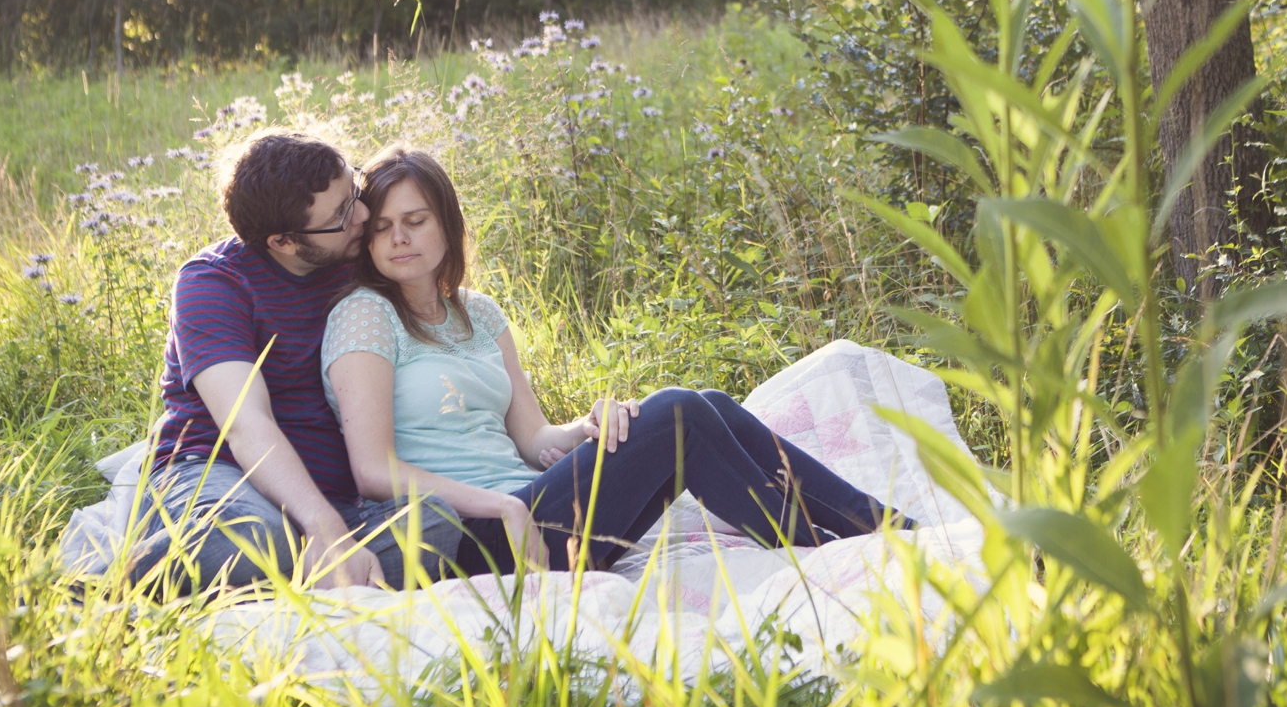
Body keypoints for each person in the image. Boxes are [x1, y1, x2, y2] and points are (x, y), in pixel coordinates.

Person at [321, 145, 907, 576]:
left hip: (534, 510)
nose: (398, 238)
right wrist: (499, 504)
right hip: (473, 539)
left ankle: (864, 531)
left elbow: (534, 441)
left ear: (448, 224)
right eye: (383, 228)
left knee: (707, 406)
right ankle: (861, 538)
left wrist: (589, 426)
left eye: (415, 221)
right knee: (679, 414)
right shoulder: (366, 314)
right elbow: (373, 470)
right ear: (367, 241)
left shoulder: (480, 314)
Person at [129, 129, 460, 593]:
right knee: (253, 537)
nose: (363, 215)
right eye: (342, 214)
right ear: (283, 241)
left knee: (434, 523)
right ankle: (90, 591)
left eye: (354, 190)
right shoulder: (213, 284)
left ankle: (278, 588)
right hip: (217, 474)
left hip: (336, 501)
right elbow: (246, 423)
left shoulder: (354, 258)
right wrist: (320, 523)